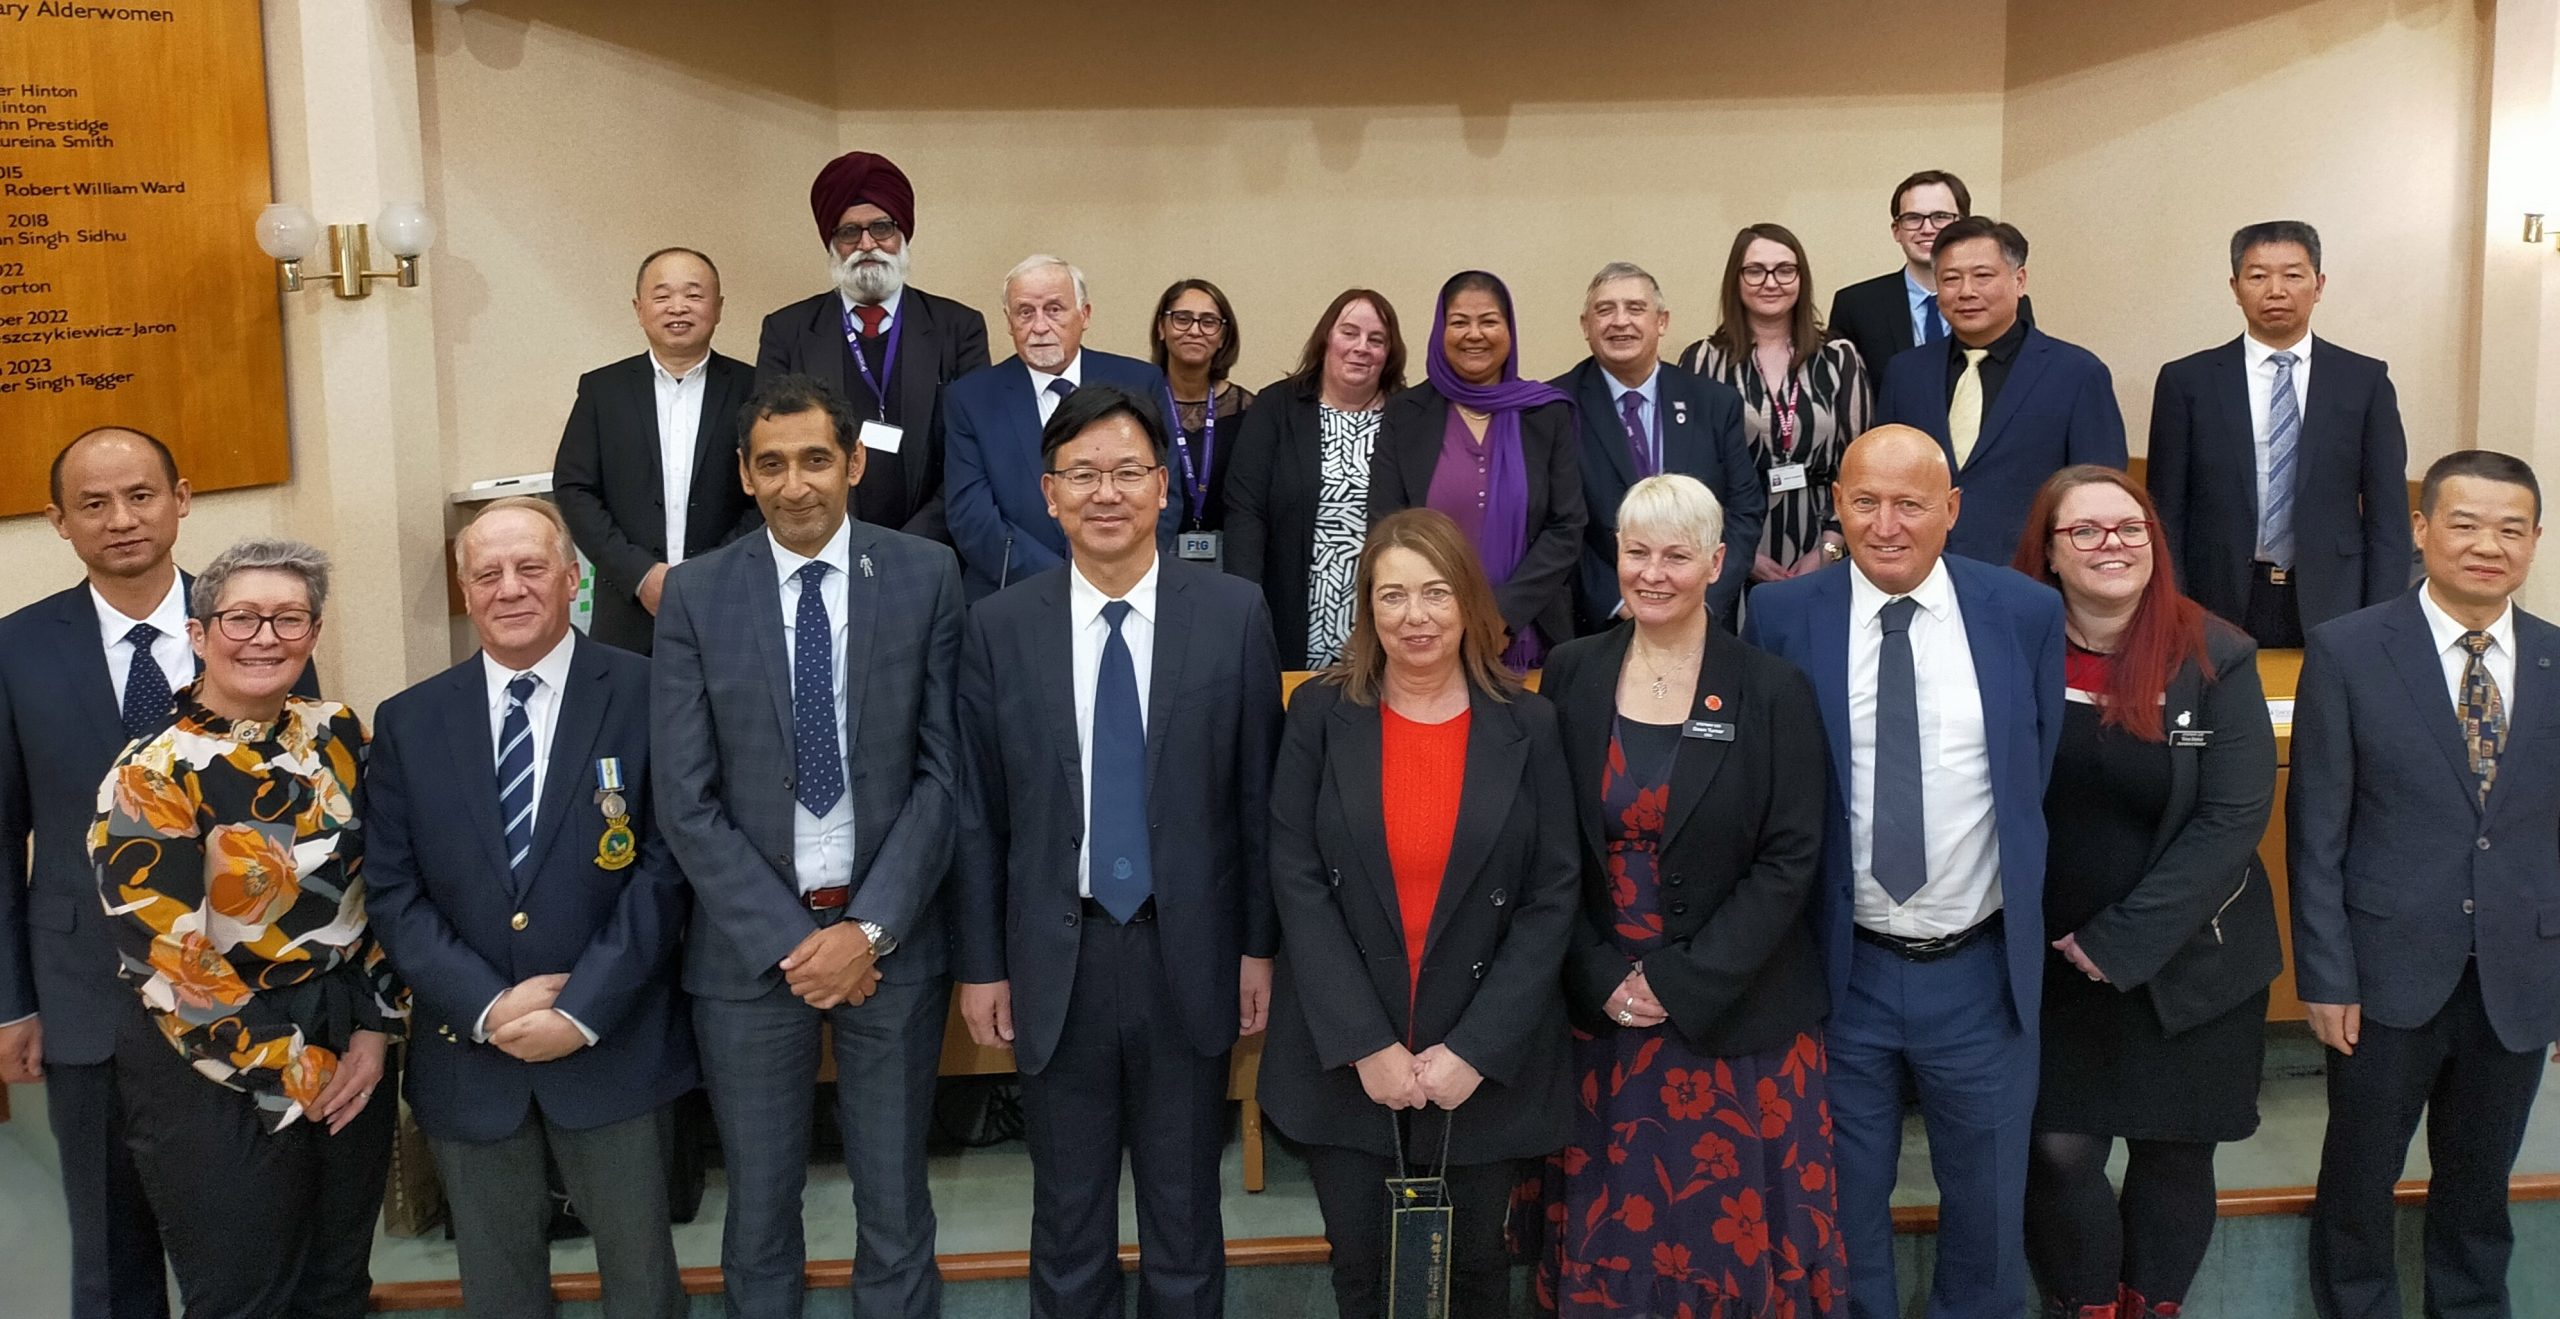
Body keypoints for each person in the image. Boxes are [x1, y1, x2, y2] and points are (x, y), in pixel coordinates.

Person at [953, 383, 1283, 1319]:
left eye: (1129, 471)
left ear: (1164, 489)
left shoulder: (1232, 613)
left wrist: (1258, 945)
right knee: (1066, 1217)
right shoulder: (998, 628)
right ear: (1048, 492)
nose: (1108, 492)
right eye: (1083, 474)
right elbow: (979, 813)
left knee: (1185, 1215)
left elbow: (1258, 800)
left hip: (1192, 955)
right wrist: (982, 964)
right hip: (1057, 957)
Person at [651, 374, 964, 1319]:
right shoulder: (698, 594)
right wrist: (799, 944)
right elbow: (685, 798)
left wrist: (864, 933)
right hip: (751, 959)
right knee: (757, 1211)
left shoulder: (924, 575)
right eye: (774, 464)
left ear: (855, 462)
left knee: (897, 1204)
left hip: (891, 949)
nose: (798, 485)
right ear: (745, 475)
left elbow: (944, 777)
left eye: (818, 459)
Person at [1743, 425, 2066, 1319]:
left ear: (1952, 510)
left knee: (1991, 1217)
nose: (1887, 524)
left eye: (1912, 502)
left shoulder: (2023, 613)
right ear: (1837, 505)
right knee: (1841, 1215)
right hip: (1839, 972)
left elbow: (2030, 776)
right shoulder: (1780, 617)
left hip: (1981, 972)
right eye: (1866, 501)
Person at [0, 428, 323, 1319]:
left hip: (244, 996)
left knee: (256, 1246)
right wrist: (11, 1001)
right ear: (57, 521)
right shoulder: (15, 649)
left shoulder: (257, 623)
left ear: (182, 498)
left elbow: (312, 817)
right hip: (90, 999)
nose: (122, 519)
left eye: (140, 494)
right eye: (94, 504)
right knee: (111, 1253)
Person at [365, 498, 695, 1319]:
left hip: (614, 1043)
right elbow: (395, 890)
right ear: (465, 588)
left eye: (530, 567)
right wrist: (487, 1003)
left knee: (644, 1288)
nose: (509, 588)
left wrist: (581, 1008)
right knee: (501, 1297)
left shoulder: (649, 691)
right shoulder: (408, 722)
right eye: (488, 573)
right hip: (470, 1056)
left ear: (573, 580)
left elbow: (667, 868)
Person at [1535, 474, 1842, 1318]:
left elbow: (1791, 857)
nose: (1654, 572)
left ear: (1717, 562)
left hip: (1737, 1017)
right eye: (1638, 552)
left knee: (1728, 1239)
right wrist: (1598, 971)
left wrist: (1678, 981)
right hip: (1600, 1013)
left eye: (1677, 555)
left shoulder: (1772, 687)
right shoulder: (1570, 673)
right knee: (1615, 1233)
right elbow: (1547, 844)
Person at [1258, 507, 1577, 1319]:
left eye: (1435, 592)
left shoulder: (1530, 724)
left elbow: (1552, 895)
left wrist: (1474, 1048)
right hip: (1349, 1054)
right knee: (1360, 1274)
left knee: (1476, 1275)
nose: (1414, 616)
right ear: (1367, 610)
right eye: (1391, 596)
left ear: (1469, 602)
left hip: (1480, 1060)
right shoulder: (1320, 716)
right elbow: (1295, 877)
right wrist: (1367, 1044)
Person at [94, 538, 404, 1319]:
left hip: (345, 1025)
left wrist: (376, 1029)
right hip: (209, 1052)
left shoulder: (337, 731)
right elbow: (170, 956)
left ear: (313, 632)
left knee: (338, 1285)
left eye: (288, 618)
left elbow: (380, 887)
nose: (265, 636)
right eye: (241, 617)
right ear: (199, 635)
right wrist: (299, 1071)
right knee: (245, 1297)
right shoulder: (151, 773)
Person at [2009, 467, 2281, 1319]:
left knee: (2173, 1154)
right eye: (2083, 531)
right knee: (2057, 1149)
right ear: (2048, 552)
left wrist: (2119, 943)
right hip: (2051, 963)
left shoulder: (2216, 652)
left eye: (2129, 528)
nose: (2111, 546)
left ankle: (2150, 1306)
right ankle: (2083, 1305)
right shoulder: (2008, 645)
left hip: (2193, 963)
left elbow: (2232, 819)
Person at [2292, 450, 2558, 1319]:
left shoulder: (2558, 659)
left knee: (2481, 1189)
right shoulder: (2349, 649)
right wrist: (2326, 974)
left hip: (2518, 977)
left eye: (2511, 528)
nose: (2489, 544)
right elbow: (2318, 829)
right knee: (2360, 1180)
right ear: (2421, 529)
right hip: (2381, 974)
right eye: (2466, 523)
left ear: (2535, 541)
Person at [2146, 220, 2412, 648]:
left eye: (2292, 274)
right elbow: (2167, 512)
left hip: (2335, 592)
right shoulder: (2187, 381)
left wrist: (2385, 614)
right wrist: (2171, 604)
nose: (2276, 290)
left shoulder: (2364, 381)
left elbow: (2388, 516)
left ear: (2319, 284)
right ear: (2235, 288)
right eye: (2257, 276)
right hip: (2217, 593)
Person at [754, 150, 992, 542]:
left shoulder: (958, 328)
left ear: (902, 235)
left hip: (932, 547)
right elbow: (773, 447)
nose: (867, 244)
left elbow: (972, 455)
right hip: (824, 542)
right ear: (832, 243)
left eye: (881, 228)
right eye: (849, 232)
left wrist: (912, 545)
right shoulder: (787, 330)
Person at [1368, 270, 1587, 671]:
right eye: (1459, 322)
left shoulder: (1545, 412)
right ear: (1440, 329)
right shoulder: (1406, 415)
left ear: (1509, 329)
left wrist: (1501, 614)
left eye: (1488, 321)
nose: (1474, 334)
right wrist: (1445, 611)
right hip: (1426, 632)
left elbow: (1567, 525)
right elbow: (1387, 523)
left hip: (1532, 634)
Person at [1876, 217, 2127, 564]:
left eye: (1982, 276)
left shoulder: (2078, 373)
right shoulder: (1905, 372)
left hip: (2030, 576)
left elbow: (2099, 497)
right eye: (1950, 279)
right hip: (1921, 570)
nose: (1966, 291)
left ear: (2019, 280)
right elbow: (1883, 476)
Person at [552, 246, 760, 656]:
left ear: (718, 308)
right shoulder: (602, 390)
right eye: (662, 296)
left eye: (694, 295)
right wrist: (640, 574)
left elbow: (768, 490)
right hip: (628, 610)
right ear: (639, 308)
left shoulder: (754, 388)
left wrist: (710, 573)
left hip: (732, 601)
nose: (677, 307)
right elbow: (574, 487)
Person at [943, 255, 1171, 598]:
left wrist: (1115, 571)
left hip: (1124, 588)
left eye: (1054, 309)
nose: (1039, 326)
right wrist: (1066, 582)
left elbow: (1164, 491)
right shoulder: (971, 398)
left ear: (1085, 315)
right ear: (1009, 322)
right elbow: (971, 517)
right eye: (1025, 312)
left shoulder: (1140, 382)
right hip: (1012, 595)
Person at [1551, 261, 1761, 629]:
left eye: (1635, 308)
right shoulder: (1553, 407)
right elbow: (1552, 523)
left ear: (1661, 322)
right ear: (1586, 326)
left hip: (1701, 619)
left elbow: (1743, 512)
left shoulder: (1713, 403)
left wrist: (1703, 598)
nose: (1620, 321)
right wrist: (1618, 600)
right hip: (1603, 624)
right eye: (1605, 310)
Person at [1678, 225, 1872, 590]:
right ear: (1735, 279)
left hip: (1823, 534)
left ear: (1802, 278)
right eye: (1755, 270)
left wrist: (1831, 546)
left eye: (1785, 270)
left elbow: (1861, 462)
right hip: (1732, 542)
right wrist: (1739, 551)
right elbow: (1693, 469)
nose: (1771, 282)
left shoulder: (1838, 358)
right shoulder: (1704, 360)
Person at [1225, 288, 1407, 668]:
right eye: (1349, 333)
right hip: (1289, 610)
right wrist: (1243, 605)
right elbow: (1245, 511)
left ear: (1389, 354)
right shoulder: (1276, 407)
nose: (1362, 347)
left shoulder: (1409, 416)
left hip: (1385, 616)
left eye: (1377, 340)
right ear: (1326, 338)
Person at [1825, 170, 2031, 406]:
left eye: (1941, 216)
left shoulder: (2004, 301)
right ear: (1896, 230)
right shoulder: (1855, 304)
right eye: (1913, 218)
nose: (1927, 228)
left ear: (1963, 224)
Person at [1147, 278, 1256, 562]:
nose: (1194, 330)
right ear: (1161, 327)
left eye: (1208, 322)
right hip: (1151, 555)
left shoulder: (1249, 411)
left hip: (1227, 560)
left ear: (1223, 336)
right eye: (1182, 319)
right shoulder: (1140, 406)